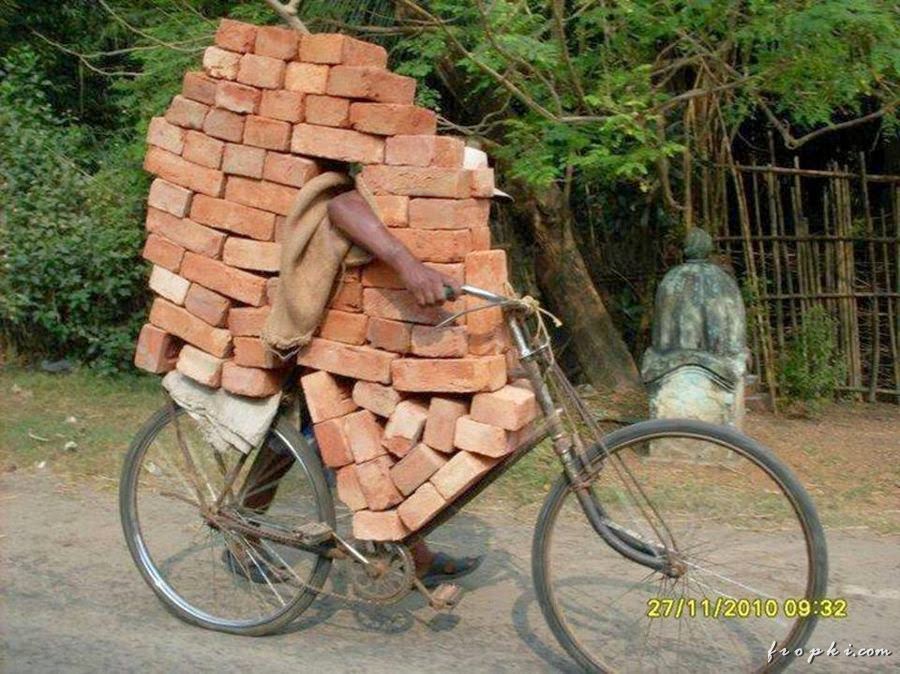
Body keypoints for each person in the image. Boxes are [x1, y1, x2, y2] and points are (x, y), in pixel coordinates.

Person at [225, 167, 482, 589]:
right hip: (324, 337)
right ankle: (242, 534)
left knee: (351, 443)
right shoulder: (364, 194)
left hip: (363, 350)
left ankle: (412, 553)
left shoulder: (437, 220)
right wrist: (408, 266)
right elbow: (341, 206)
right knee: (316, 441)